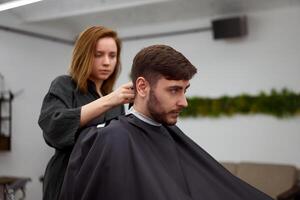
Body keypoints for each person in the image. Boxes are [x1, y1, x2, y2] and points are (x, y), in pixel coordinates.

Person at [59, 45, 272, 200]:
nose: (184, 102)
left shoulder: (169, 134)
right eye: (174, 90)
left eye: (184, 90)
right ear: (142, 87)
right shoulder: (110, 139)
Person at [38, 26, 134, 200]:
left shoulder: (114, 101)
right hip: (67, 183)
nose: (107, 62)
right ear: (83, 55)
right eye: (98, 55)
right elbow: (53, 127)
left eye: (112, 56)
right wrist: (110, 100)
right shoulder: (65, 85)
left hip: (102, 184)